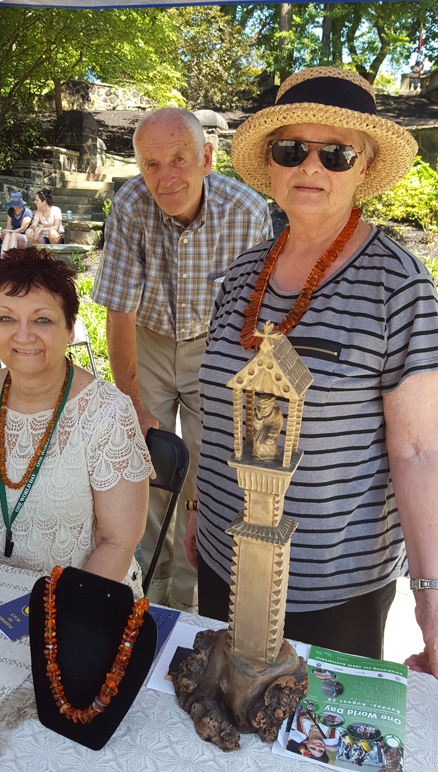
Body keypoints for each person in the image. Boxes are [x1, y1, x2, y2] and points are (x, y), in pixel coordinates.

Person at [185, 67, 438, 676]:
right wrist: (200, 507)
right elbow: (217, 409)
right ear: (270, 163)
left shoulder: (397, 286)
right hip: (226, 556)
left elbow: (420, 452)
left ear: (364, 165)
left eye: (337, 153)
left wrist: (431, 603)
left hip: (333, 587)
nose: (312, 167)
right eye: (292, 149)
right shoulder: (244, 274)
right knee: (223, 725)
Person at [91, 107, 273, 611]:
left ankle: (190, 605)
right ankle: (145, 590)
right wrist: (132, 403)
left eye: (179, 159)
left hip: (212, 347)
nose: (165, 177)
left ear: (207, 158)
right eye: (151, 165)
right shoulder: (130, 204)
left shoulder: (247, 211)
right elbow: (120, 309)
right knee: (143, 459)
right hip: (146, 340)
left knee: (204, 468)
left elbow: (253, 320)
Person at [0, 248, 152, 596]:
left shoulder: (107, 411)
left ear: (70, 329)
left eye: (42, 320)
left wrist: (60, 615)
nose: (23, 336)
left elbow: (116, 542)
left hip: (74, 597)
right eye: (6, 318)